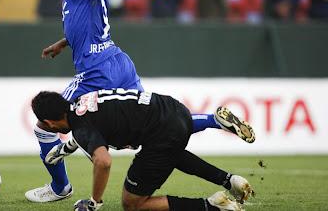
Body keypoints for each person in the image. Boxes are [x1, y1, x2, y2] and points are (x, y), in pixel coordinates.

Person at [26, 0, 254, 203]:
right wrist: (64, 42)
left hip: (95, 71)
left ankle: (60, 186)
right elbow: (87, 23)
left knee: (45, 124)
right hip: (120, 63)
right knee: (154, 127)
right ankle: (213, 121)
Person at [31, 89, 255, 211]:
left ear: (50, 123)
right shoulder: (81, 101)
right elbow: (94, 128)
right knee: (169, 154)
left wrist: (94, 201)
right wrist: (66, 148)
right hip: (173, 108)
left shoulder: (81, 128)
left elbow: (103, 161)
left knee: (132, 203)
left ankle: (213, 206)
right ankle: (229, 179)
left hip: (162, 132)